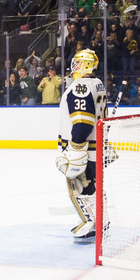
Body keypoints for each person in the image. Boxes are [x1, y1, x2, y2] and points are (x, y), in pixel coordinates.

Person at [55, 49, 106, 244]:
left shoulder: (81, 87)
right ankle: (103, 221)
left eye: (77, 63)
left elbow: (83, 123)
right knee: (94, 188)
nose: (73, 67)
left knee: (80, 188)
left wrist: (75, 149)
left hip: (84, 149)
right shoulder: (97, 84)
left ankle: (90, 223)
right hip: (97, 147)